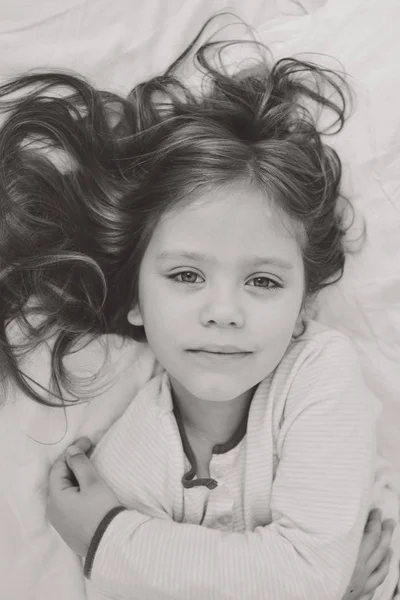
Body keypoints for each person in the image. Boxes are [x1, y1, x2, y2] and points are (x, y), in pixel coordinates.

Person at [0, 15, 398, 600]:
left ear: (301, 305)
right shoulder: (128, 458)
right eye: (187, 274)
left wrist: (105, 539)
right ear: (136, 299)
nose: (224, 311)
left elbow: (307, 573)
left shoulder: (319, 375)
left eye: (263, 281)